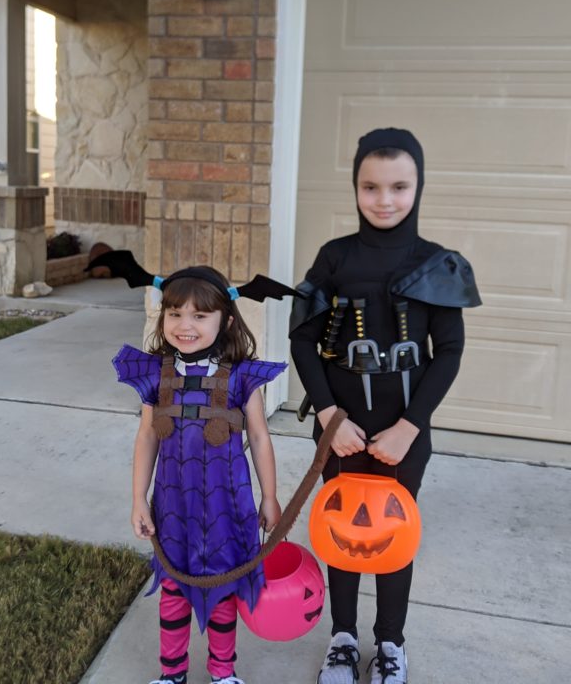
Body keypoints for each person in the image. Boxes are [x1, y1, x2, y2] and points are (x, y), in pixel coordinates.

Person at [290, 127, 481, 684]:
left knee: (393, 536)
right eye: (370, 186)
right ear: (355, 187)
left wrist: (410, 427)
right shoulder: (334, 258)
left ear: (418, 186)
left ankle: (391, 643)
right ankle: (343, 639)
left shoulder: (436, 264)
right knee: (341, 529)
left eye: (399, 186)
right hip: (340, 429)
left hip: (404, 435)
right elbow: (303, 340)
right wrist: (329, 415)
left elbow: (448, 351)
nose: (385, 200)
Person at [113, 264, 286, 684]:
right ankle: (172, 674)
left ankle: (223, 672)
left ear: (226, 321)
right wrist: (138, 499)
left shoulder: (242, 375)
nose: (184, 325)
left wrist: (269, 496)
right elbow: (147, 436)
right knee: (174, 588)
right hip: (174, 504)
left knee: (223, 588)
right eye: (174, 313)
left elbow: (259, 437)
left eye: (199, 315)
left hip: (228, 503)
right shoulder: (156, 373)